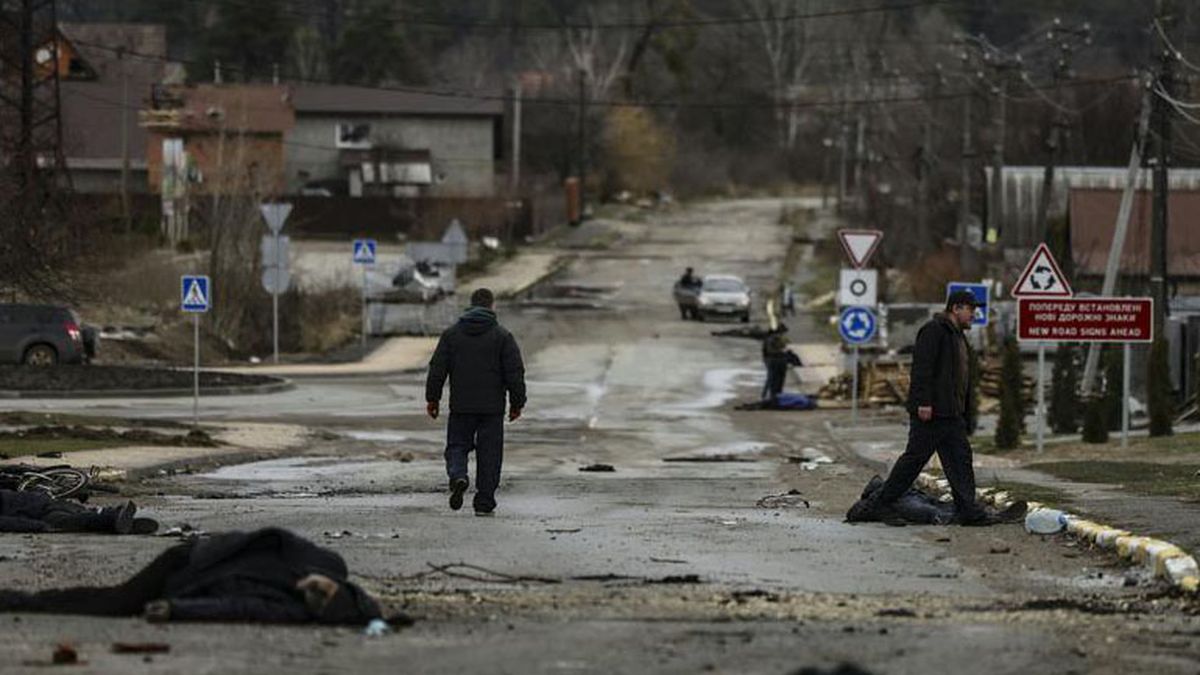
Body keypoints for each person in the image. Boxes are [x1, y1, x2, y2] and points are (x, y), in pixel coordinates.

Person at [0, 528, 382, 624]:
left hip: (187, 577)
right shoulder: (324, 561)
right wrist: (209, 549)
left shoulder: (294, 608)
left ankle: (23, 601)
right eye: (323, 591)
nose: (312, 593)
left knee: (114, 600)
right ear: (337, 586)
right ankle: (21, 602)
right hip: (191, 561)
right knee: (114, 602)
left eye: (317, 601)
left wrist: (176, 610)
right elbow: (270, 535)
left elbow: (236, 608)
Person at [847, 290, 993, 526]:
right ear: (956, 308)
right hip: (933, 413)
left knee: (960, 460)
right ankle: (878, 504)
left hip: (951, 413)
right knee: (913, 461)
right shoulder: (934, 331)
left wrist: (964, 411)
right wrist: (924, 402)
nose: (974, 315)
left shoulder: (957, 335)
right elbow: (922, 369)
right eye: (970, 309)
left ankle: (968, 511)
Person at [426, 288, 527, 516]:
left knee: (457, 446)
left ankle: (458, 476)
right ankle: (484, 501)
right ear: (492, 306)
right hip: (492, 409)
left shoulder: (451, 335)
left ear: (470, 306)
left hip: (461, 406)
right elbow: (515, 373)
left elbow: (437, 370)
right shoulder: (502, 336)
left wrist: (433, 399)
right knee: (490, 455)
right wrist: (517, 403)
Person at [0, 490, 157, 534]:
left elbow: (9, 523)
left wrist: (39, 526)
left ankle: (112, 516)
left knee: (65, 523)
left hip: (46, 511)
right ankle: (125, 525)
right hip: (56, 503)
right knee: (81, 517)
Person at [761, 328, 801, 402]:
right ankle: (769, 395)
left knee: (779, 379)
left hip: (780, 361)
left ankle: (776, 395)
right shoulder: (770, 340)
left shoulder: (779, 339)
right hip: (773, 361)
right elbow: (770, 351)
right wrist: (782, 351)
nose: (782, 334)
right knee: (772, 379)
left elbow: (785, 346)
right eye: (781, 333)